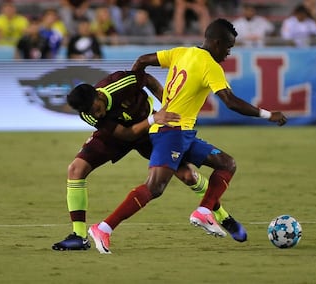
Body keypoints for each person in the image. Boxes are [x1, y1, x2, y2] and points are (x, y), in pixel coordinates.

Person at [87, 18, 287, 254]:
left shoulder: (181, 53)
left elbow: (142, 61)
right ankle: (104, 228)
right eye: (228, 47)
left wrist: (134, 87)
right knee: (155, 188)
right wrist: (268, 114)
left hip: (183, 133)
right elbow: (230, 102)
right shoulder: (210, 66)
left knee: (226, 163)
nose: (228, 53)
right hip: (171, 132)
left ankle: (204, 211)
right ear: (215, 42)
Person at [52, 70, 238, 250]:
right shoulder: (87, 113)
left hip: (151, 131)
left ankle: (223, 217)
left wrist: (169, 106)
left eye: (96, 109)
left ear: (98, 96)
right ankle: (79, 236)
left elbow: (147, 79)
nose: (95, 114)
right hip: (120, 135)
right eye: (90, 113)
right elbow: (126, 134)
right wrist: (153, 119)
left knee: (188, 176)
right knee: (75, 169)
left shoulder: (119, 82)